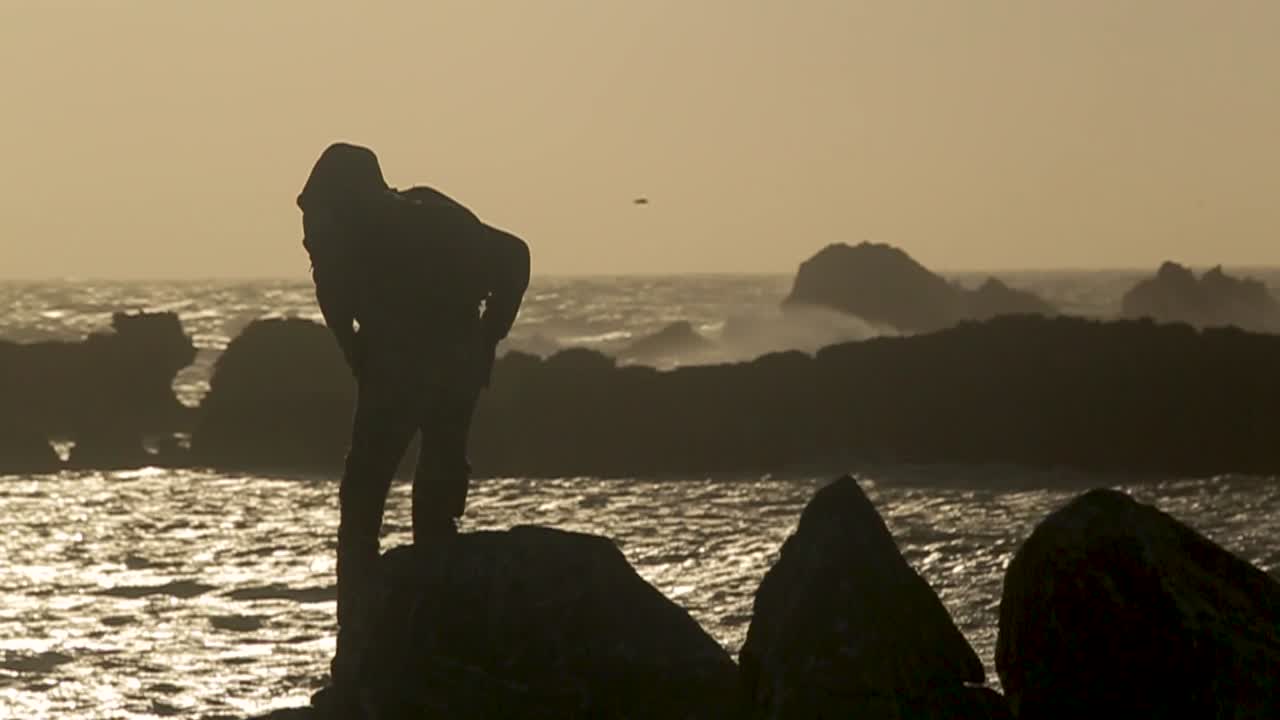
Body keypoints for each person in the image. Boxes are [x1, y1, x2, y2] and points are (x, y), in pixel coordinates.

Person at [296, 142, 530, 640]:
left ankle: (363, 627)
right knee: (432, 483)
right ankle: (429, 605)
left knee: (365, 493)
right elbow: (514, 255)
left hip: (405, 371)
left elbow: (332, 295)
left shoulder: (354, 225)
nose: (307, 234)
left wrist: (354, 350)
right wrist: (487, 338)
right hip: (446, 367)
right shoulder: (432, 213)